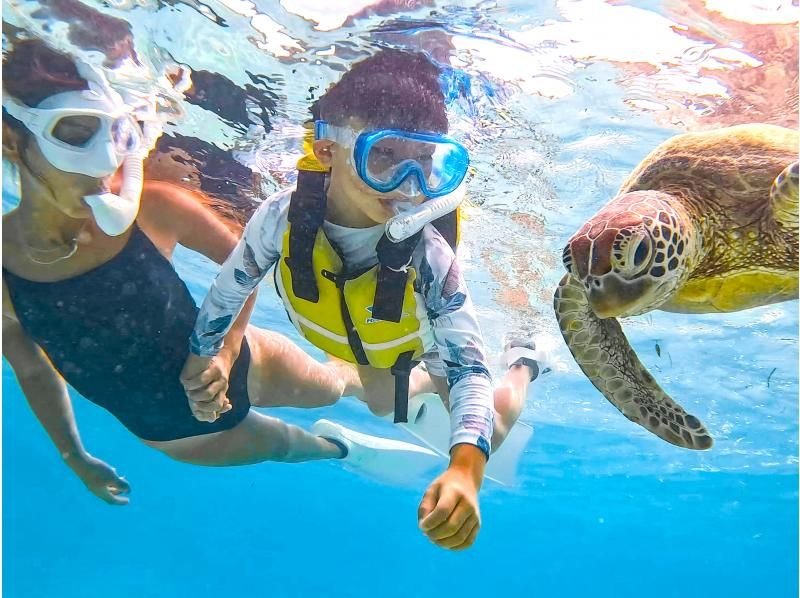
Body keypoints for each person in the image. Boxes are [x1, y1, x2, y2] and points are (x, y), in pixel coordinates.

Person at [1, 40, 410, 506]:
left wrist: (226, 348)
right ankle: (344, 447)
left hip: (249, 366)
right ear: (11, 138)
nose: (105, 162)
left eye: (116, 136)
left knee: (331, 386)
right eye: (74, 135)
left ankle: (382, 385)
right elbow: (32, 369)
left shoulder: (155, 207)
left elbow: (251, 260)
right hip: (179, 437)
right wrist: (75, 457)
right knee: (285, 446)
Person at [183, 49, 549, 551]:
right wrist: (208, 356)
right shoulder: (279, 218)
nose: (409, 187)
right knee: (381, 402)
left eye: (425, 163)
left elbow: (467, 372)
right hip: (365, 340)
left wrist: (465, 468)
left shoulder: (428, 253)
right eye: (384, 157)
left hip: (416, 344)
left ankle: (524, 360)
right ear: (329, 151)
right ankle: (401, 389)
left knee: (494, 423)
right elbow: (230, 290)